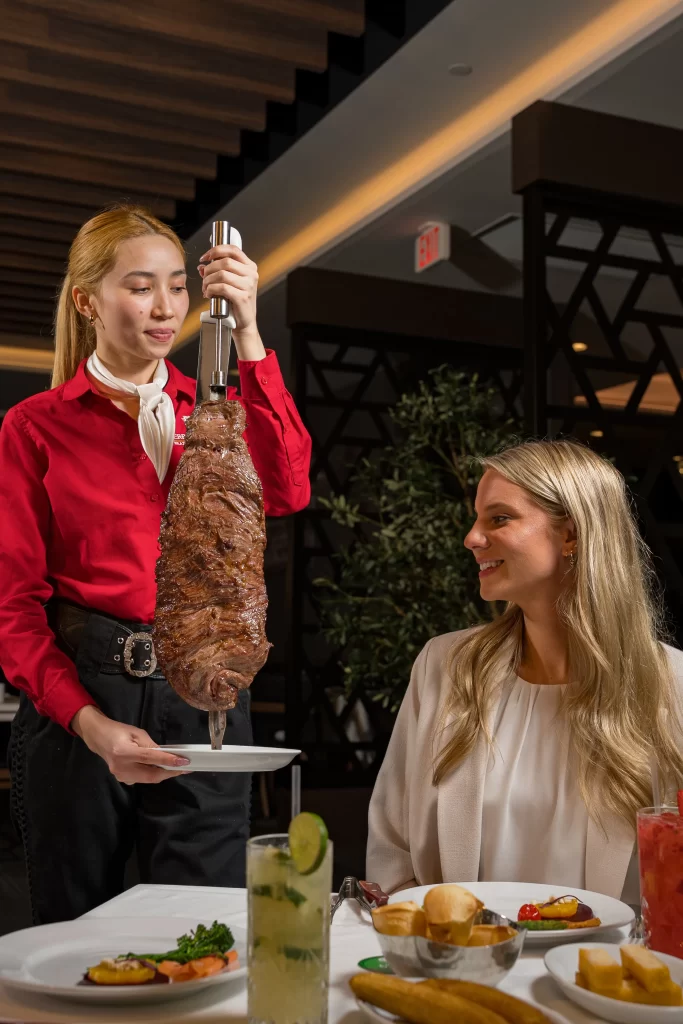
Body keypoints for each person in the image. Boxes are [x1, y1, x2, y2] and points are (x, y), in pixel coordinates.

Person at [0, 206, 311, 924]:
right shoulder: (35, 426)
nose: (167, 307)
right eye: (141, 287)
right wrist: (89, 724)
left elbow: (289, 487)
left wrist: (252, 332)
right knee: (77, 927)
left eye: (179, 285)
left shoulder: (215, 409)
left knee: (204, 923)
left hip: (205, 689)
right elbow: (14, 606)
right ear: (87, 301)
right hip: (86, 692)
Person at [367, 439, 683, 901]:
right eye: (477, 519)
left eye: (498, 518)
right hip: (464, 964)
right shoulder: (444, 666)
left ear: (571, 534)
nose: (471, 538)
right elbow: (391, 851)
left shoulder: (672, 686)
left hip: (609, 970)